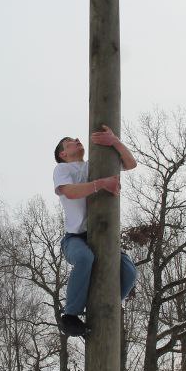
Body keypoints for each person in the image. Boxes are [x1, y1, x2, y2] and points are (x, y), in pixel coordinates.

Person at [51, 127, 138, 338]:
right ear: (63, 154)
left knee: (129, 272)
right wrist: (101, 184)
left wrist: (115, 142)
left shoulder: (96, 164)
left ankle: (103, 308)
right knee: (84, 258)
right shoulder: (62, 170)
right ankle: (70, 316)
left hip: (103, 237)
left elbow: (130, 163)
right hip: (75, 238)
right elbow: (70, 192)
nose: (78, 140)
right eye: (70, 141)